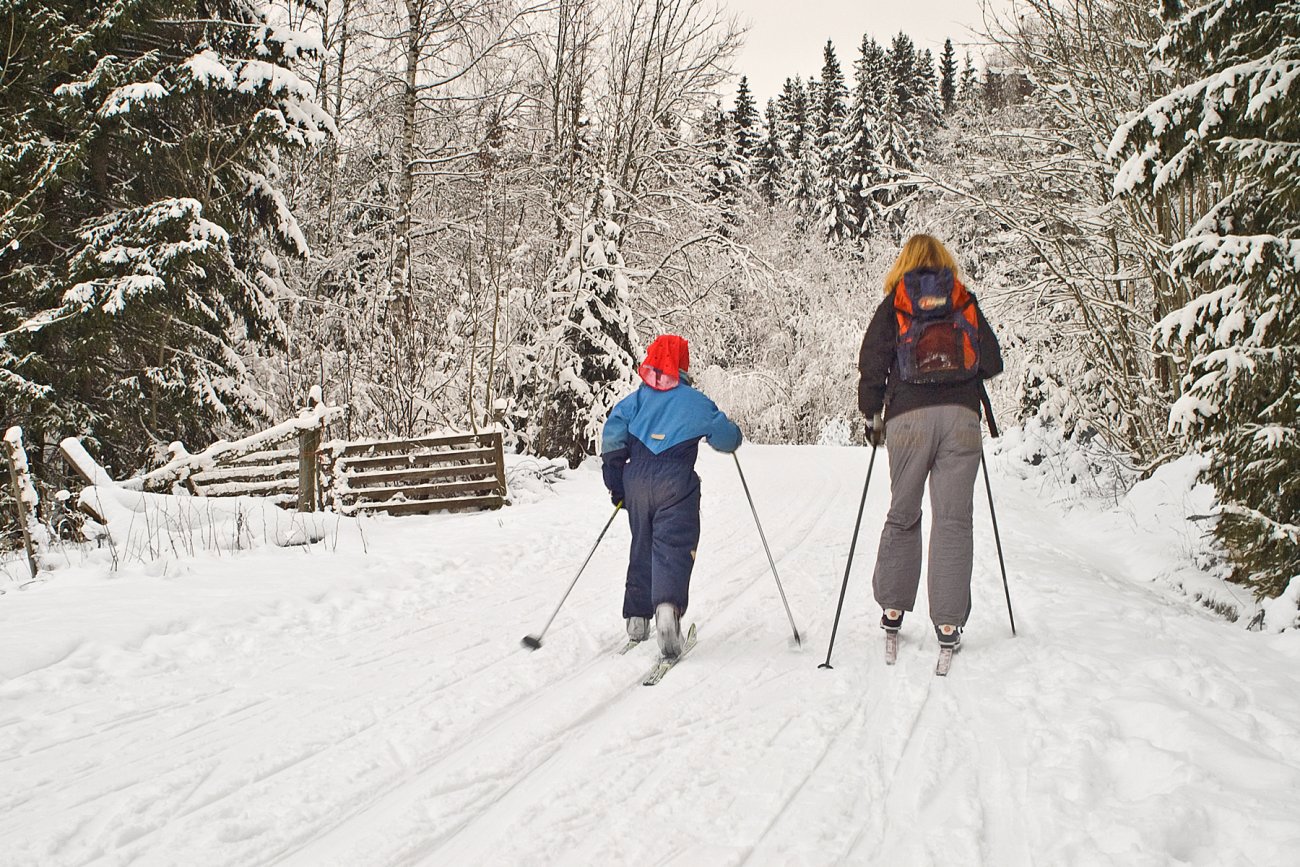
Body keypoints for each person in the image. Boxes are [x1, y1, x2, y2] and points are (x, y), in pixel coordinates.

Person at [857, 234, 1003, 652]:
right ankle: (948, 623)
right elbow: (992, 361)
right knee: (954, 520)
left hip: (908, 419)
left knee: (903, 512)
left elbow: (872, 363)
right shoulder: (962, 299)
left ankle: (892, 609)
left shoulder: (895, 304)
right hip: (961, 418)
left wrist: (872, 414)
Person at [601, 334, 743, 658]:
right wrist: (734, 435)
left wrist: (617, 484)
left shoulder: (635, 400)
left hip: (636, 483)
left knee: (642, 545)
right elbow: (725, 438)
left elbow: (611, 438)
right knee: (673, 545)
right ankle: (666, 612)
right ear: (682, 365)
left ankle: (637, 620)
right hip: (676, 483)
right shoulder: (694, 402)